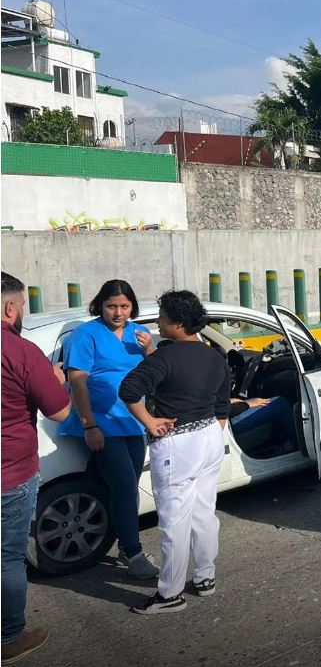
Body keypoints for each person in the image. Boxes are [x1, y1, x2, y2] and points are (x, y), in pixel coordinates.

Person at [119, 291, 230, 615]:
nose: (157, 321)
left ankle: (170, 595)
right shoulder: (214, 355)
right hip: (209, 437)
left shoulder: (163, 358)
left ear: (178, 324)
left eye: (162, 316)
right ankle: (205, 578)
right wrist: (211, 428)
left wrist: (151, 422)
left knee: (173, 522)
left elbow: (128, 390)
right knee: (204, 513)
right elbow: (223, 400)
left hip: (177, 443)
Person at [59, 280, 160, 580]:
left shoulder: (137, 334)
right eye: (112, 306)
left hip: (133, 421)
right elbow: (77, 380)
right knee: (124, 487)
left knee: (127, 487)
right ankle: (132, 550)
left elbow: (156, 374)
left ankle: (126, 545)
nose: (118, 312)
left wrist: (150, 350)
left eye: (125, 306)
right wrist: (90, 425)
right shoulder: (85, 335)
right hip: (103, 422)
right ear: (99, 305)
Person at [1, 272, 71, 663]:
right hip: (10, 472)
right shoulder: (22, 351)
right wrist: (58, 379)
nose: (23, 311)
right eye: (24, 305)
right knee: (7, 557)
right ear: (11, 308)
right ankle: (9, 636)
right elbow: (59, 411)